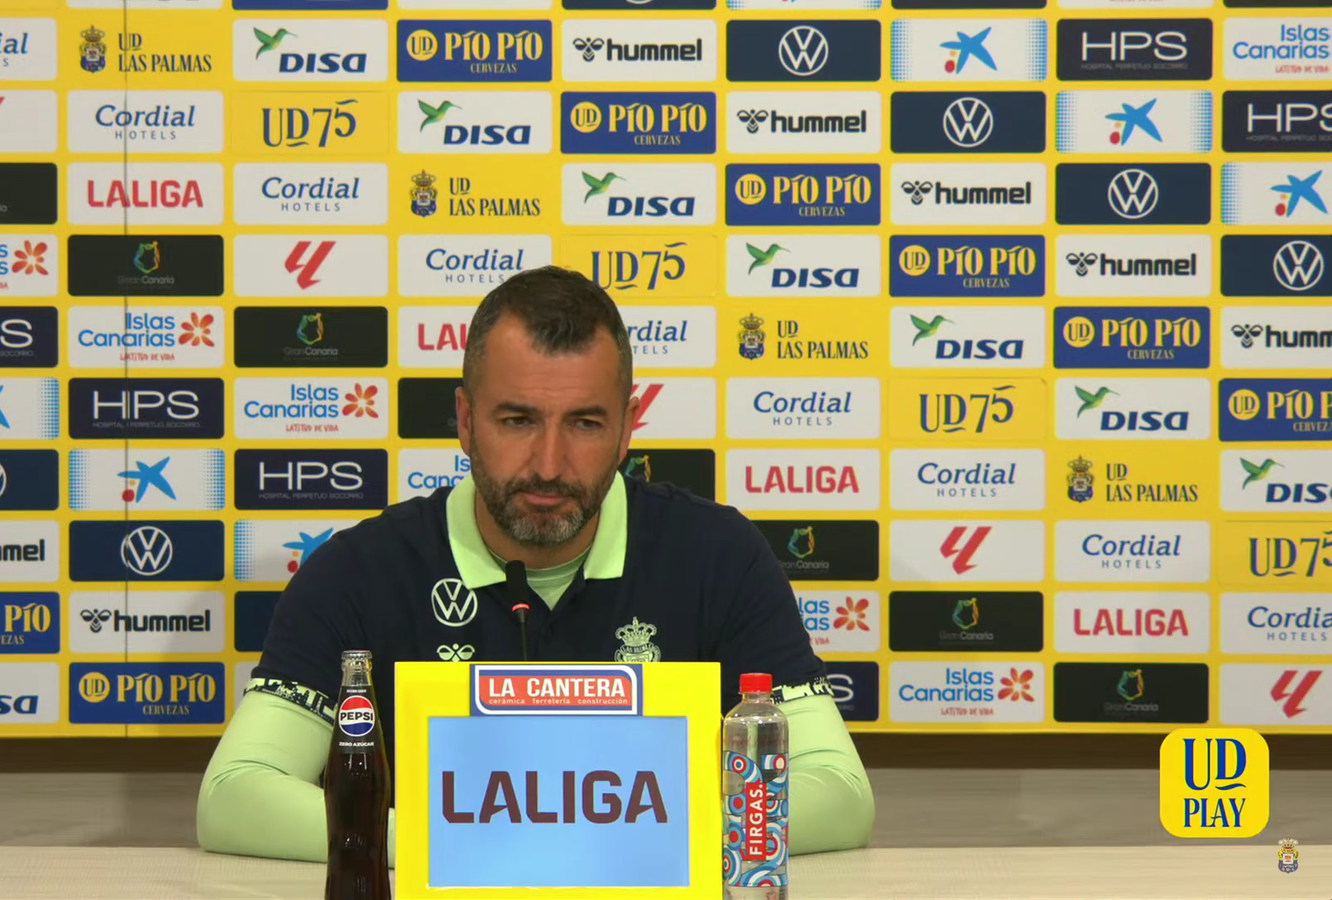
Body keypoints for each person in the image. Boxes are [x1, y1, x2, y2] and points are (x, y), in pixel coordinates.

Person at [197, 265, 875, 863]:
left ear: (627, 426)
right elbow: (234, 797)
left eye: (583, 423)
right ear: (464, 420)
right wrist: (464, 842)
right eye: (517, 420)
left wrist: (623, 835)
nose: (549, 465)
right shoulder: (360, 572)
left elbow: (839, 794)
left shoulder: (717, 558)